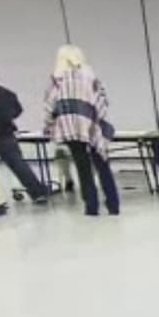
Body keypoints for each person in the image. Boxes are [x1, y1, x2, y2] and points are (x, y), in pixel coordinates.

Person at [42, 45, 119, 216]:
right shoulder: (91, 77)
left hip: (69, 128)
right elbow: (102, 101)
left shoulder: (56, 79)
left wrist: (49, 125)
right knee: (102, 165)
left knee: (82, 168)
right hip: (91, 126)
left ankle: (91, 207)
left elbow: (49, 105)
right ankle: (113, 205)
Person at [0, 63, 48, 204]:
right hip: (5, 134)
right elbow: (17, 111)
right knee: (19, 165)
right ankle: (38, 193)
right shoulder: (6, 93)